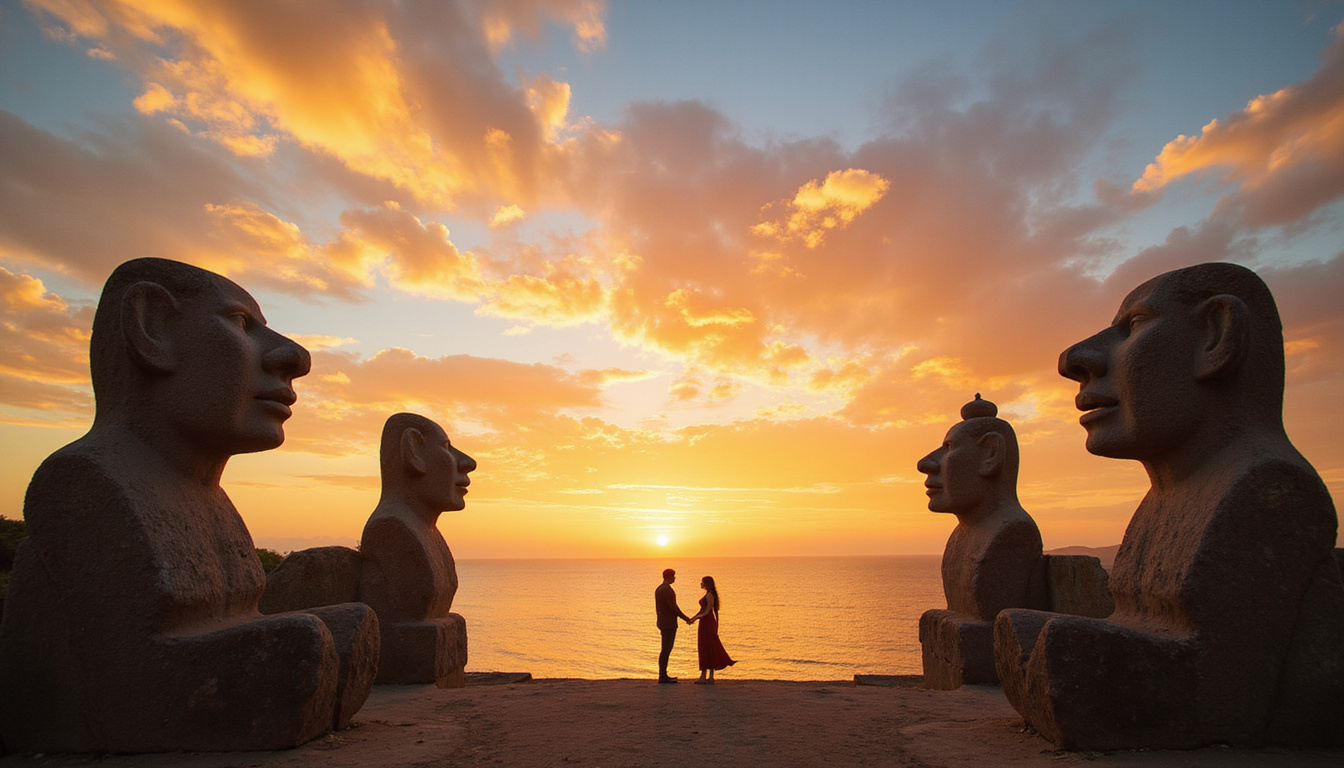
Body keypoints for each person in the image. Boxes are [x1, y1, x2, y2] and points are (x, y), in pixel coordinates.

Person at [994, 262, 1343, 749]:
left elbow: (1224, 687)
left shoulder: (1269, 487)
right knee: (1025, 629)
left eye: (1133, 326)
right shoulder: (1170, 497)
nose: (1077, 359)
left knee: (1049, 643)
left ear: (1215, 338)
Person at [689, 575, 735, 684]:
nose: (701, 584)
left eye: (702, 582)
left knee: (706, 646)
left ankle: (704, 676)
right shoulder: (709, 594)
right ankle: (709, 677)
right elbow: (702, 610)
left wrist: (697, 618)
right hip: (706, 621)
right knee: (708, 646)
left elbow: (707, 611)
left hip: (707, 622)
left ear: (707, 583)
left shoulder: (709, 595)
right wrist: (694, 618)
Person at [654, 568, 691, 683]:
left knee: (665, 648)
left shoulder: (659, 589)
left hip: (662, 621)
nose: (675, 578)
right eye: (674, 576)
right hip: (668, 623)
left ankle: (663, 674)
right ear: (669, 577)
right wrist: (686, 618)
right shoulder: (668, 590)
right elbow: (673, 607)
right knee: (666, 649)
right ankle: (663, 675)